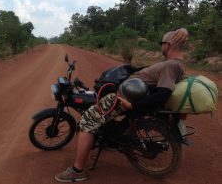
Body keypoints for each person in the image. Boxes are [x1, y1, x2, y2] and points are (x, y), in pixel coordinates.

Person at [55, 28, 189, 183]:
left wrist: (133, 106)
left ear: (168, 45)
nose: (161, 47)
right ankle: (107, 139)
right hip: (126, 94)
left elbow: (163, 94)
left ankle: (77, 171)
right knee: (100, 112)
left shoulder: (170, 65)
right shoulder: (176, 64)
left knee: (86, 122)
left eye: (162, 44)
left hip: (123, 98)